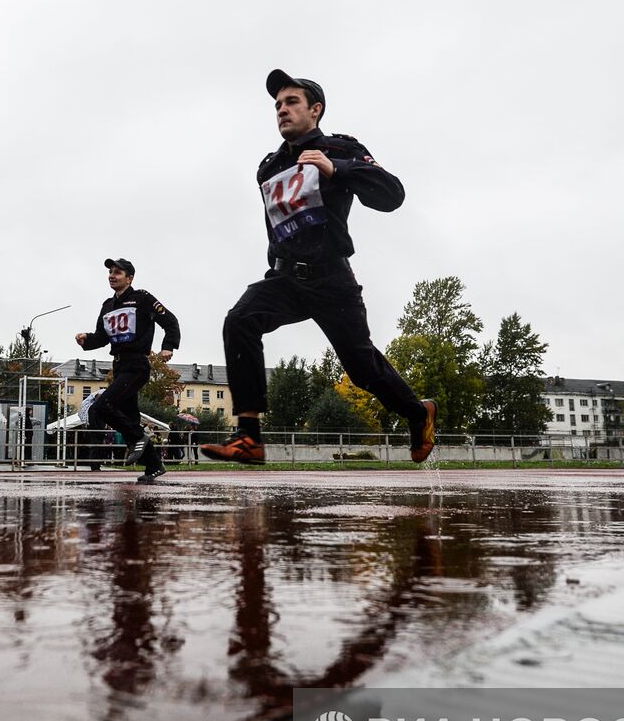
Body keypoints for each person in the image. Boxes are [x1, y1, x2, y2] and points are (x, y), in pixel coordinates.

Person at [201, 69, 435, 466]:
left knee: (362, 370)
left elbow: (392, 195)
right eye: (277, 105)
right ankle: (249, 437)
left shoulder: (340, 148)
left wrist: (335, 169)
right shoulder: (269, 166)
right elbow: (276, 221)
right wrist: (275, 261)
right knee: (240, 319)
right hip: (287, 275)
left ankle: (418, 412)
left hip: (332, 278)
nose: (281, 110)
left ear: (316, 109)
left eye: (291, 102)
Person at [75, 258, 180, 482]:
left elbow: (170, 321)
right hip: (119, 365)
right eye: (110, 272)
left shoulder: (142, 298)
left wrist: (168, 346)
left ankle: (139, 437)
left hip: (137, 365)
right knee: (130, 417)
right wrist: (86, 340)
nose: (112, 275)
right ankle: (154, 466)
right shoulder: (107, 306)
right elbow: (101, 338)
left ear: (129, 278)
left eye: (118, 272)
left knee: (102, 407)